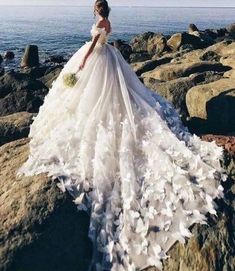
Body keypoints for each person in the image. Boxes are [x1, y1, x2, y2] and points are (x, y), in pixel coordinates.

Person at [16, 0, 228, 270]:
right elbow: (102, 37)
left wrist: (82, 61)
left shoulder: (102, 24)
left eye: (96, 8)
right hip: (109, 59)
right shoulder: (107, 22)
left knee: (100, 97)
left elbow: (95, 43)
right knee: (111, 94)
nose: (96, 11)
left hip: (98, 58)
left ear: (98, 11)